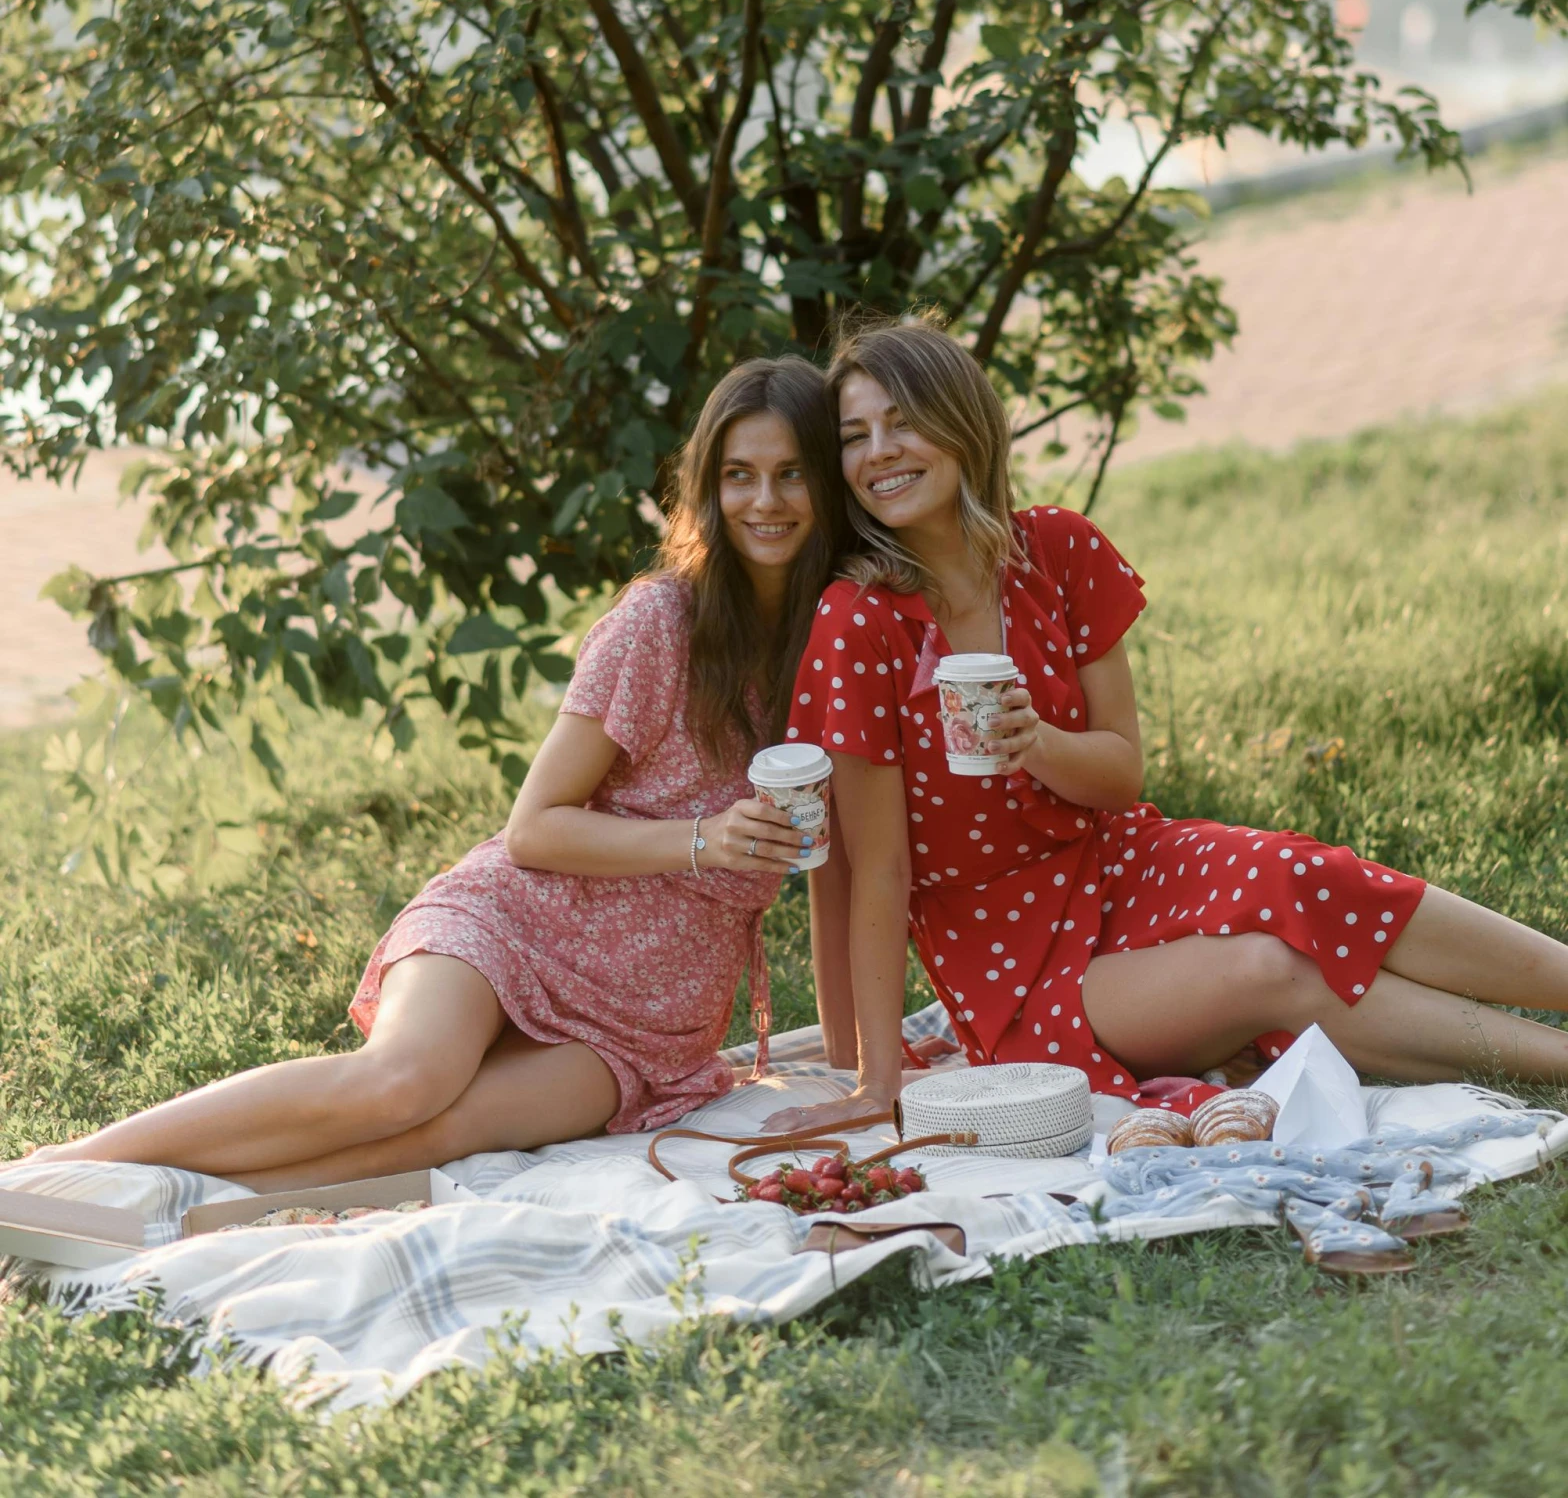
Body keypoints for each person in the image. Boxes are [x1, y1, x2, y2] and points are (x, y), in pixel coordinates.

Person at [27, 356, 845, 1185]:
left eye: (791, 476)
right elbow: (534, 828)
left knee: (438, 1135)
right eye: (740, 476)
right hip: (521, 924)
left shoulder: (840, 639)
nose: (765, 502)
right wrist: (703, 840)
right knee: (401, 1085)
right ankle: (58, 1170)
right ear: (709, 489)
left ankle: (159, 1205)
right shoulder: (661, 622)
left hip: (651, 1016)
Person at [790, 316, 1568, 1121]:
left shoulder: (1057, 550)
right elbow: (873, 871)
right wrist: (873, 1082)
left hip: (1119, 863)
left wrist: (1037, 743)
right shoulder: (858, 622)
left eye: (904, 421)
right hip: (1010, 966)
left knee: (1308, 876)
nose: (879, 450)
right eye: (855, 435)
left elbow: (1122, 775)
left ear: (965, 423)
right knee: (1267, 970)